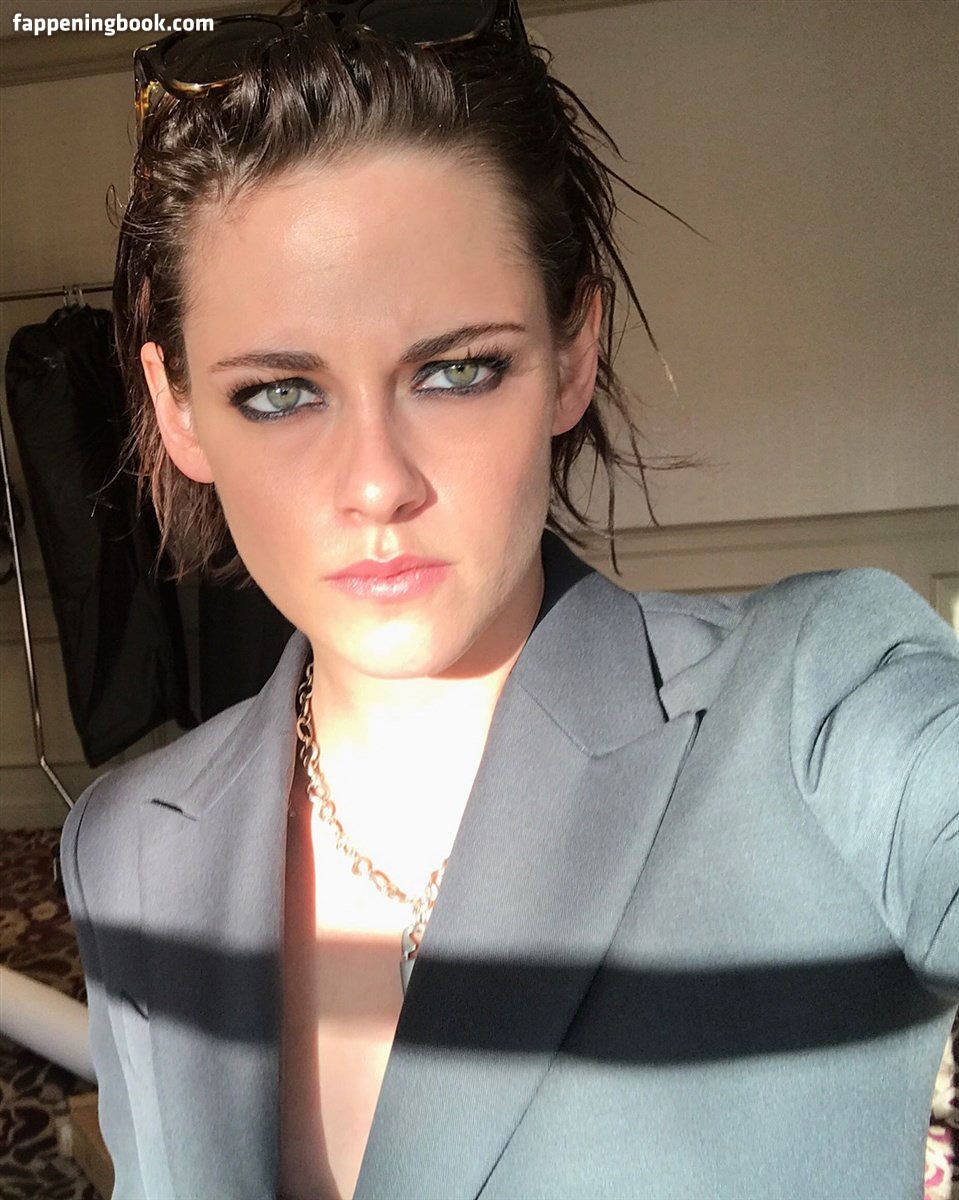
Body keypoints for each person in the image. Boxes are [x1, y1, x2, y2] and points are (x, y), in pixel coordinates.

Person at [59, 3, 959, 1199]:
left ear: (571, 354)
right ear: (179, 409)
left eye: (454, 370)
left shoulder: (817, 709)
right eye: (278, 392)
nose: (375, 483)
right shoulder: (126, 846)